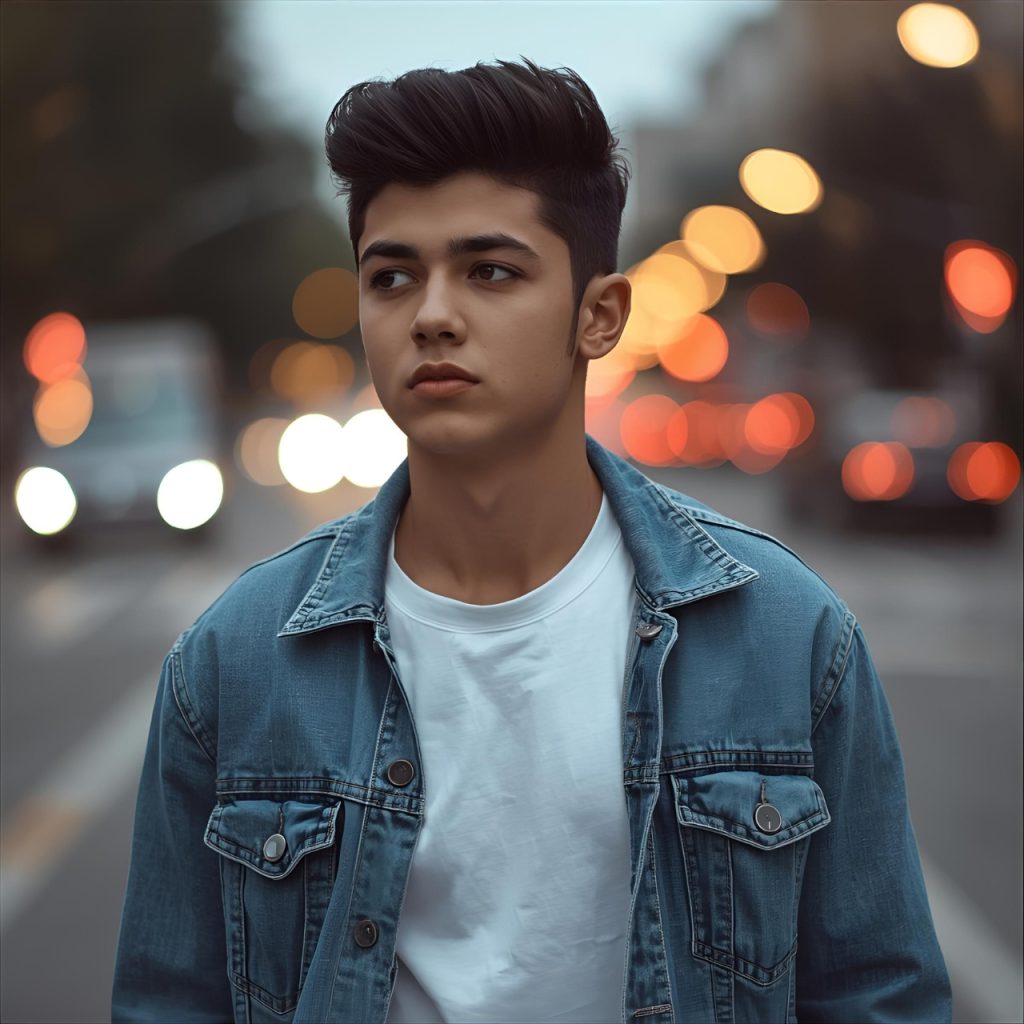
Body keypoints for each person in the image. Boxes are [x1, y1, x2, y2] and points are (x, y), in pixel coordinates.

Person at [112, 57, 952, 1023]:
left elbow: (881, 999)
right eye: (392, 276)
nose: (431, 315)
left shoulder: (787, 638)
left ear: (598, 315)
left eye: (491, 271)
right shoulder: (234, 660)